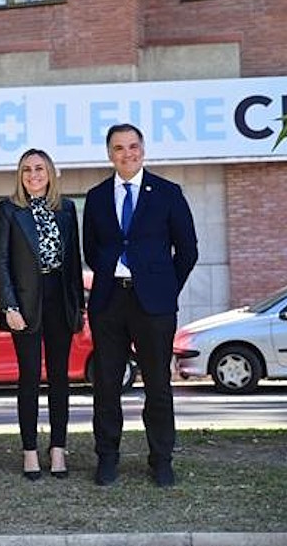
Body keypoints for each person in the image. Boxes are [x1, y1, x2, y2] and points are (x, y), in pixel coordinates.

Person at [83, 123, 198, 487]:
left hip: (155, 305)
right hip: (109, 302)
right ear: (109, 154)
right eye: (119, 148)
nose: (127, 154)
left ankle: (161, 460)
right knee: (106, 385)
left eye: (133, 146)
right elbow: (92, 250)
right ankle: (107, 459)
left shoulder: (167, 192)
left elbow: (188, 250)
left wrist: (165, 289)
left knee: (158, 386)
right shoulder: (97, 196)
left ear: (143, 149)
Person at [0, 148, 85, 481]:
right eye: (27, 169)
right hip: (26, 305)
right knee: (29, 377)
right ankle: (30, 450)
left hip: (59, 301)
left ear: (50, 173)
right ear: (20, 175)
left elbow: (74, 261)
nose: (34, 174)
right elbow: (0, 261)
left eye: (40, 168)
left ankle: (57, 448)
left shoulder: (66, 209)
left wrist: (79, 308)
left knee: (60, 378)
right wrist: (9, 306)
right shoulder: (8, 210)